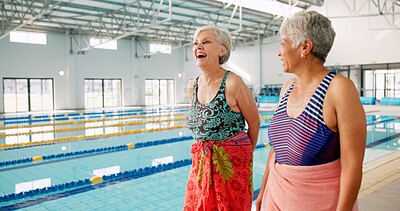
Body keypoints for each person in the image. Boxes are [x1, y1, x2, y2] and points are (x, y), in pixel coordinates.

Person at [256, 10, 366, 211]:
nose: (279, 52)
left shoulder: (339, 89)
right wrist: (263, 191)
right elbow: (276, 150)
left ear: (304, 47)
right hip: (276, 197)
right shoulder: (287, 87)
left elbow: (352, 166)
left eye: (283, 43)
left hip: (320, 203)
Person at [183, 25, 260, 211]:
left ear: (222, 49)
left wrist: (241, 155)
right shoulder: (192, 86)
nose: (198, 47)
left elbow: (255, 122)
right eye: (195, 43)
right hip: (201, 166)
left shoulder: (233, 82)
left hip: (230, 168)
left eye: (206, 42)